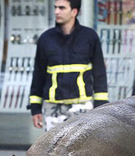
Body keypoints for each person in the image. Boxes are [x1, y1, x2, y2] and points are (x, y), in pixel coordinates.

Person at [29, 0, 108, 130]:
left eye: (61, 8)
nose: (56, 12)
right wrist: (35, 108)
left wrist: (101, 107)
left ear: (74, 12)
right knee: (53, 149)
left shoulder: (90, 37)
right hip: (53, 108)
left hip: (83, 107)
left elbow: (99, 74)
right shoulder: (45, 39)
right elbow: (38, 75)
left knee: (83, 149)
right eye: (55, 8)